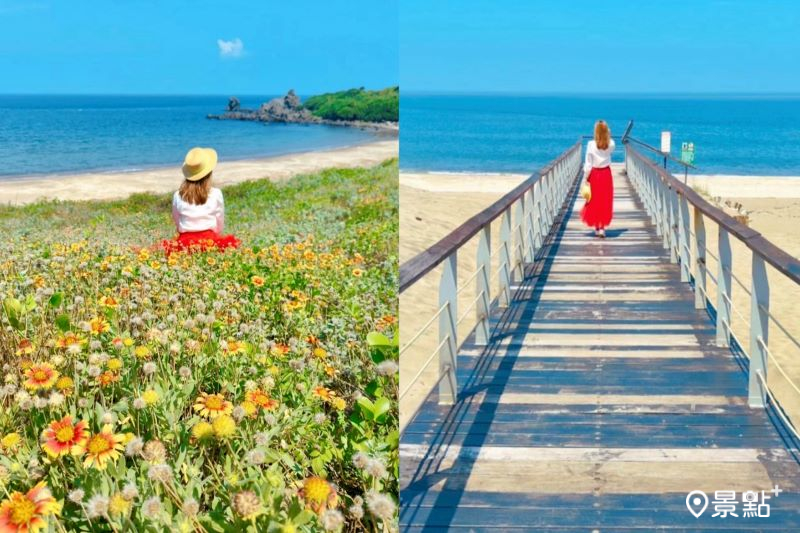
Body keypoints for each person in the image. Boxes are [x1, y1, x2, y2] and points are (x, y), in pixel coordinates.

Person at [162, 147, 240, 254]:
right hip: (209, 241)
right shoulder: (216, 193)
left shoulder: (178, 195)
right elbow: (219, 221)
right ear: (209, 173)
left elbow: (177, 221)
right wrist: (216, 237)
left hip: (185, 242)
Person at [580, 120, 615, 238]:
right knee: (605, 200)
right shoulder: (611, 144)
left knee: (594, 201)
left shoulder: (590, 144)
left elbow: (588, 165)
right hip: (606, 174)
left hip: (594, 174)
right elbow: (609, 140)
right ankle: (602, 228)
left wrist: (585, 179)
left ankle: (597, 227)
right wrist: (607, 132)